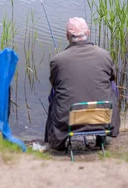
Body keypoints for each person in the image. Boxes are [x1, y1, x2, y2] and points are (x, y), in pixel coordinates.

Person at [44, 17, 120, 150]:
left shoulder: (58, 60)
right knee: (112, 85)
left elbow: (54, 83)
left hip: (69, 120)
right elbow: (113, 76)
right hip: (101, 117)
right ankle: (103, 134)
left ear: (67, 36)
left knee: (55, 92)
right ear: (88, 33)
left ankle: (58, 141)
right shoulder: (105, 55)